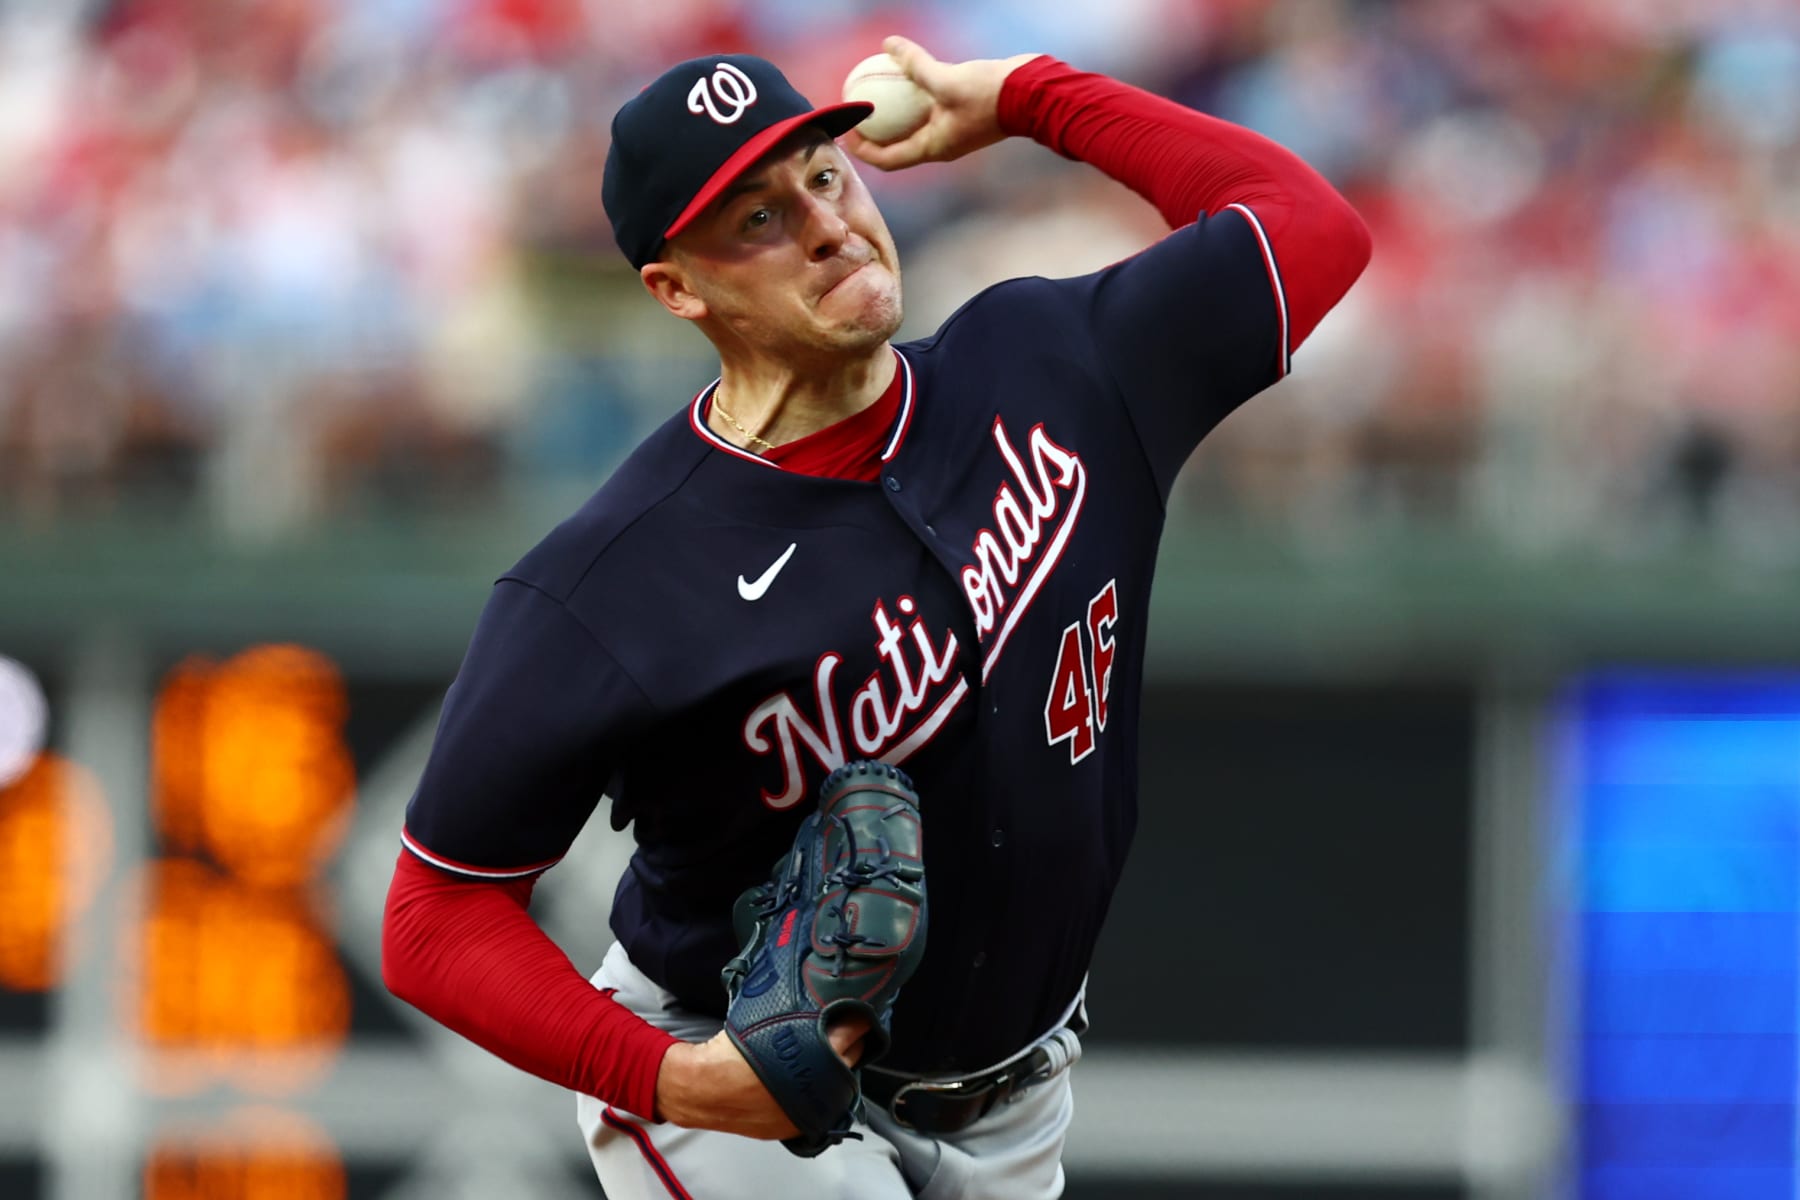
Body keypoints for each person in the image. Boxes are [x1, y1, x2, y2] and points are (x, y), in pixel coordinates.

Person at [382, 35, 1371, 1199]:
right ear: (676, 286)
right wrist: (676, 1081)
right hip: (752, 1105)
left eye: (822, 175)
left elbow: (1310, 230)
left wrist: (1026, 98)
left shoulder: (1056, 366)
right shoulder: (610, 582)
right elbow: (437, 913)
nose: (824, 226)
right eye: (755, 220)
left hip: (1021, 1101)